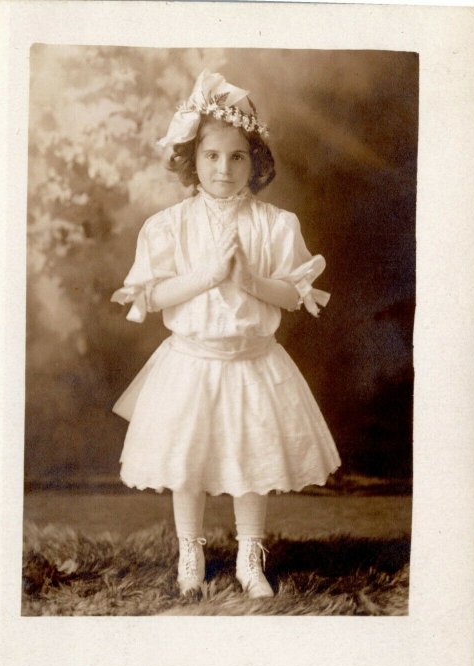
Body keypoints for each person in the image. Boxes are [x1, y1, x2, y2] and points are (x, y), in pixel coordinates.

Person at [111, 69, 340, 600]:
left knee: (253, 460)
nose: (223, 168)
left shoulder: (275, 224)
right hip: (190, 361)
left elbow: (296, 295)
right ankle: (190, 552)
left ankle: (249, 556)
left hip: (253, 360)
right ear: (192, 159)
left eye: (238, 157)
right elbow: (151, 295)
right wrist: (208, 276)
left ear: (255, 162)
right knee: (187, 461)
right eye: (212, 156)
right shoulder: (170, 225)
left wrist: (250, 281)